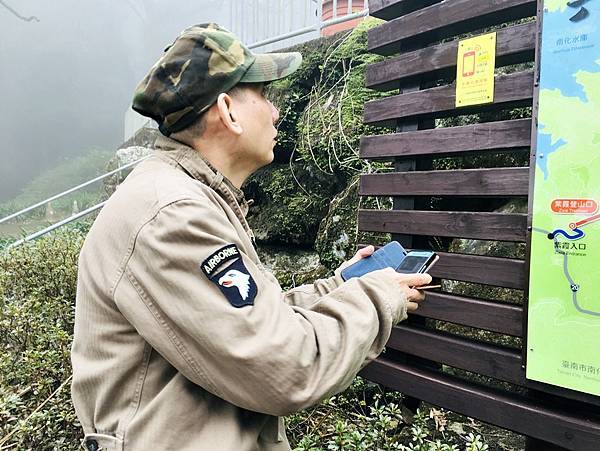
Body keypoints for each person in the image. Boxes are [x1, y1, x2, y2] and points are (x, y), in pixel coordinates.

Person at [71, 23, 431, 451]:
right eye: (264, 95)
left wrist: (341, 285)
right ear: (227, 110)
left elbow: (247, 321)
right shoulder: (173, 215)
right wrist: (377, 298)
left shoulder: (184, 194)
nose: (275, 111)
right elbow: (286, 368)